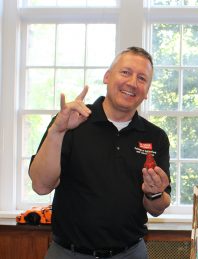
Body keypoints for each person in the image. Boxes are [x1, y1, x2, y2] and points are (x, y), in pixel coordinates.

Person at [29, 47, 171, 259]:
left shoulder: (156, 137)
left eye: (142, 78)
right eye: (125, 72)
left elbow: (157, 208)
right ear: (107, 76)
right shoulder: (71, 121)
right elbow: (41, 185)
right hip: (68, 253)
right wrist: (57, 130)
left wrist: (155, 192)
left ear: (147, 90)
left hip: (130, 253)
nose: (132, 82)